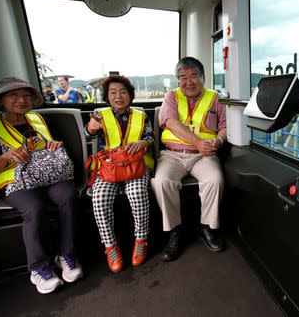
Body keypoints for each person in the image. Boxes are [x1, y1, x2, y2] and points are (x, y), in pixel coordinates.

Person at [0, 77, 83, 294]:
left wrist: (54, 144)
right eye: (14, 95)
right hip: (14, 182)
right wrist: (6, 157)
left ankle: (66, 254)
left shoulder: (37, 120)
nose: (21, 100)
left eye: (26, 95)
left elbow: (52, 146)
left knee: (68, 196)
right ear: (1, 100)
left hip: (48, 176)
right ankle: (39, 267)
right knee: (34, 208)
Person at [151, 56, 227, 262]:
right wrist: (197, 141)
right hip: (172, 155)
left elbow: (225, 126)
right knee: (162, 182)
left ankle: (207, 227)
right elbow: (170, 122)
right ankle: (175, 231)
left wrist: (218, 142)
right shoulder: (172, 96)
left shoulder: (216, 98)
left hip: (204, 155)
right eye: (182, 77)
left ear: (203, 77)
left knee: (215, 180)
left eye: (193, 75)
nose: (188, 81)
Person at [85, 75, 155, 273]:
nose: (118, 96)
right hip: (108, 168)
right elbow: (88, 133)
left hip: (135, 167)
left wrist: (143, 143)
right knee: (99, 197)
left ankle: (141, 240)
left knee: (137, 193)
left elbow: (150, 136)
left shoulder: (141, 116)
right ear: (107, 96)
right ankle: (110, 245)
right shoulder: (99, 114)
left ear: (130, 95)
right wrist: (91, 127)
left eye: (123, 91)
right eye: (113, 92)